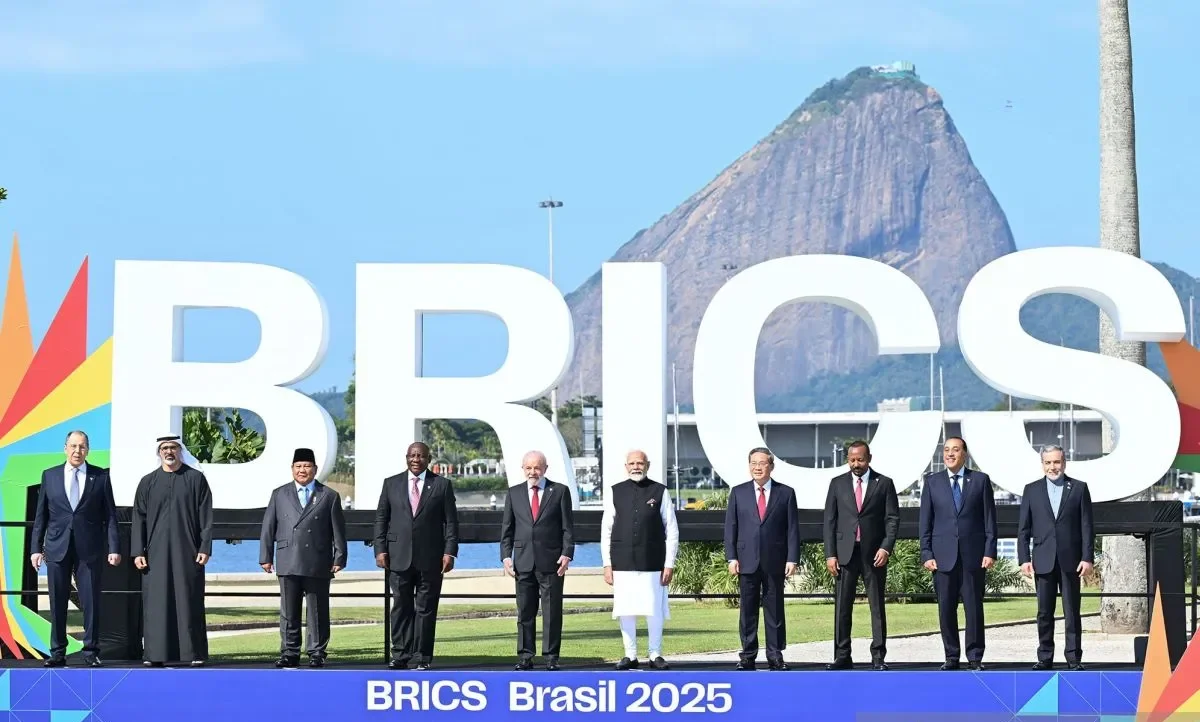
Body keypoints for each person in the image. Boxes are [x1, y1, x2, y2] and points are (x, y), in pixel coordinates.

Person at [29, 430, 120, 667]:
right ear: (65, 448)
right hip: (57, 548)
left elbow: (110, 515)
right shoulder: (50, 476)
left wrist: (114, 547)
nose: (77, 451)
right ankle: (57, 652)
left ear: (88, 450)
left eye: (82, 447)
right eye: (73, 446)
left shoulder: (100, 477)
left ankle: (90, 652)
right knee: (57, 602)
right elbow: (41, 516)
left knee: (90, 602)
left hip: (89, 549)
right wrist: (35, 549)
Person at [259, 447, 348, 668]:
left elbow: (338, 531)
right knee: (289, 611)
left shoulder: (329, 496)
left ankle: (317, 652)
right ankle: (289, 652)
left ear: (315, 469)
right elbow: (268, 527)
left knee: (317, 610)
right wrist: (265, 556)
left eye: (307, 466)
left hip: (318, 559)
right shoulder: (279, 494)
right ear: (292, 469)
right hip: (288, 557)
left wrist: (339, 557)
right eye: (298, 466)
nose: (302, 470)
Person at [374, 441, 459, 670]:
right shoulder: (391, 484)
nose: (416, 459)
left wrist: (449, 552)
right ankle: (400, 655)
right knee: (401, 607)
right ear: (406, 457)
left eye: (421, 456)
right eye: (412, 455)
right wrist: (380, 549)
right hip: (397, 557)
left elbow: (451, 523)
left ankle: (421, 657)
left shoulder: (441, 485)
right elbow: (381, 519)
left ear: (428, 459)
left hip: (430, 558)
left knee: (426, 608)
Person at [132, 434, 214, 667]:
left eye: (174, 448)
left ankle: (193, 654)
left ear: (181, 451)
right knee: (156, 603)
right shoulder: (147, 482)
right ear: (159, 452)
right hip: (155, 555)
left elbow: (206, 517)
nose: (169, 452)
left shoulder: (196, 479)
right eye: (165, 448)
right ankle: (155, 655)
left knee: (189, 600)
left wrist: (205, 547)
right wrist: (138, 551)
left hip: (189, 552)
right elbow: (139, 518)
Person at [918, 436, 998, 670]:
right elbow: (926, 522)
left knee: (974, 609)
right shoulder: (932, 482)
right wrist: (926, 553)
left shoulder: (980, 481)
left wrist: (989, 550)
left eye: (955, 450)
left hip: (973, 557)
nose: (950, 454)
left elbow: (989, 520)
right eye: (946, 450)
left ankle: (975, 657)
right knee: (946, 608)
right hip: (942, 558)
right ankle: (951, 656)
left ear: (965, 454)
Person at [823, 439, 899, 670]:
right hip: (844, 555)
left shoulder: (884, 483)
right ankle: (842, 655)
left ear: (869, 459)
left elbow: (892, 519)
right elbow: (829, 522)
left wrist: (885, 547)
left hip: (874, 555)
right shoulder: (837, 484)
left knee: (876, 607)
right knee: (842, 608)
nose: (856, 464)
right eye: (852, 460)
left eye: (860, 459)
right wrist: (830, 554)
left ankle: (878, 657)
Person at [601, 450, 679, 670]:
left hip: (653, 560)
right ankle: (630, 654)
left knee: (653, 609)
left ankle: (655, 654)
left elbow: (671, 529)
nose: (636, 467)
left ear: (648, 465)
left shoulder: (660, 491)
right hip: (622, 561)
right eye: (632, 463)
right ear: (626, 466)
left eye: (640, 463)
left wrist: (669, 563)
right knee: (626, 609)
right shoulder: (615, 491)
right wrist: (607, 563)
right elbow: (606, 529)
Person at [1018, 444, 1094, 670]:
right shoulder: (1031, 490)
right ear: (1042, 464)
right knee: (1044, 612)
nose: (1053, 467)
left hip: (1072, 561)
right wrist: (1024, 559)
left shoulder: (1079, 488)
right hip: (1042, 560)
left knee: (1072, 612)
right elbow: (1023, 529)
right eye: (1048, 462)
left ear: (1064, 462)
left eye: (1057, 462)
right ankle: (1045, 657)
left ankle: (1073, 658)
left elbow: (1087, 526)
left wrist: (1087, 557)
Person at [724, 447, 799, 671]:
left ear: (771, 466)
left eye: (762, 463)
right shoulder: (738, 492)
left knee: (774, 610)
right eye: (753, 463)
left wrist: (792, 558)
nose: (757, 467)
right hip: (746, 561)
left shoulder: (786, 493)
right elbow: (731, 528)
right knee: (747, 611)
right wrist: (731, 557)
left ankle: (775, 655)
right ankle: (747, 655)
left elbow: (792, 529)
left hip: (775, 561)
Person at [500, 450, 575, 671]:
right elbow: (507, 529)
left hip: (551, 562)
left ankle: (551, 657)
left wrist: (567, 553)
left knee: (552, 613)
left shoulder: (559, 491)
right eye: (529, 468)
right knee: (525, 612)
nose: (533, 472)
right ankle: (525, 656)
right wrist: (506, 556)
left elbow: (567, 528)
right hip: (522, 562)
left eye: (537, 467)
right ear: (523, 469)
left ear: (545, 469)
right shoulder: (514, 493)